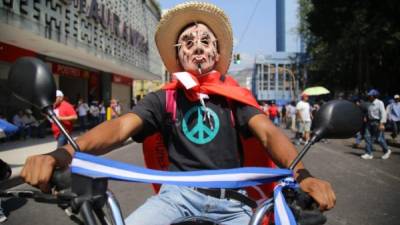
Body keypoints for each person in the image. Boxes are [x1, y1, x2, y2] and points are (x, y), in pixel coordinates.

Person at [20, 3, 335, 225]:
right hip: (175, 198)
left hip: (236, 203)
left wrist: (301, 175)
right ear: (178, 53)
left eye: (204, 41)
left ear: (216, 51)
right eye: (188, 41)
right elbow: (118, 129)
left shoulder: (236, 98)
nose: (197, 47)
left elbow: (268, 132)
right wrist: (61, 155)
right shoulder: (162, 99)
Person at [361, 89, 391, 159]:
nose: (369, 96)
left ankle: (387, 151)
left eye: (370, 95)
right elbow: (369, 112)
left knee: (379, 139)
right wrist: (366, 117)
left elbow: (383, 113)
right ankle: (369, 153)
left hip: (377, 122)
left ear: (374, 96)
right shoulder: (370, 103)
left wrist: (382, 123)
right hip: (370, 122)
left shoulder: (380, 103)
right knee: (367, 137)